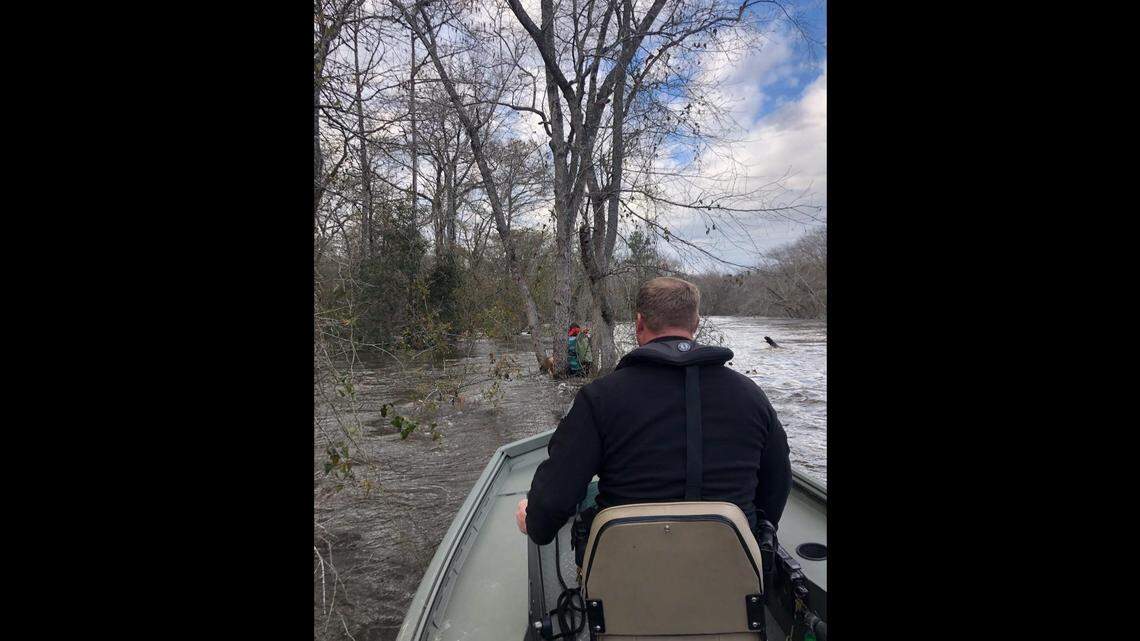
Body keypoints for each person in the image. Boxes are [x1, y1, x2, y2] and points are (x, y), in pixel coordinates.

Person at [515, 276, 791, 550]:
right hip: (732, 578)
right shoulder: (751, 396)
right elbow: (777, 487)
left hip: (625, 579)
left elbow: (551, 506)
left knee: (589, 496)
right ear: (695, 324)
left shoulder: (599, 398)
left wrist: (534, 520)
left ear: (638, 324)